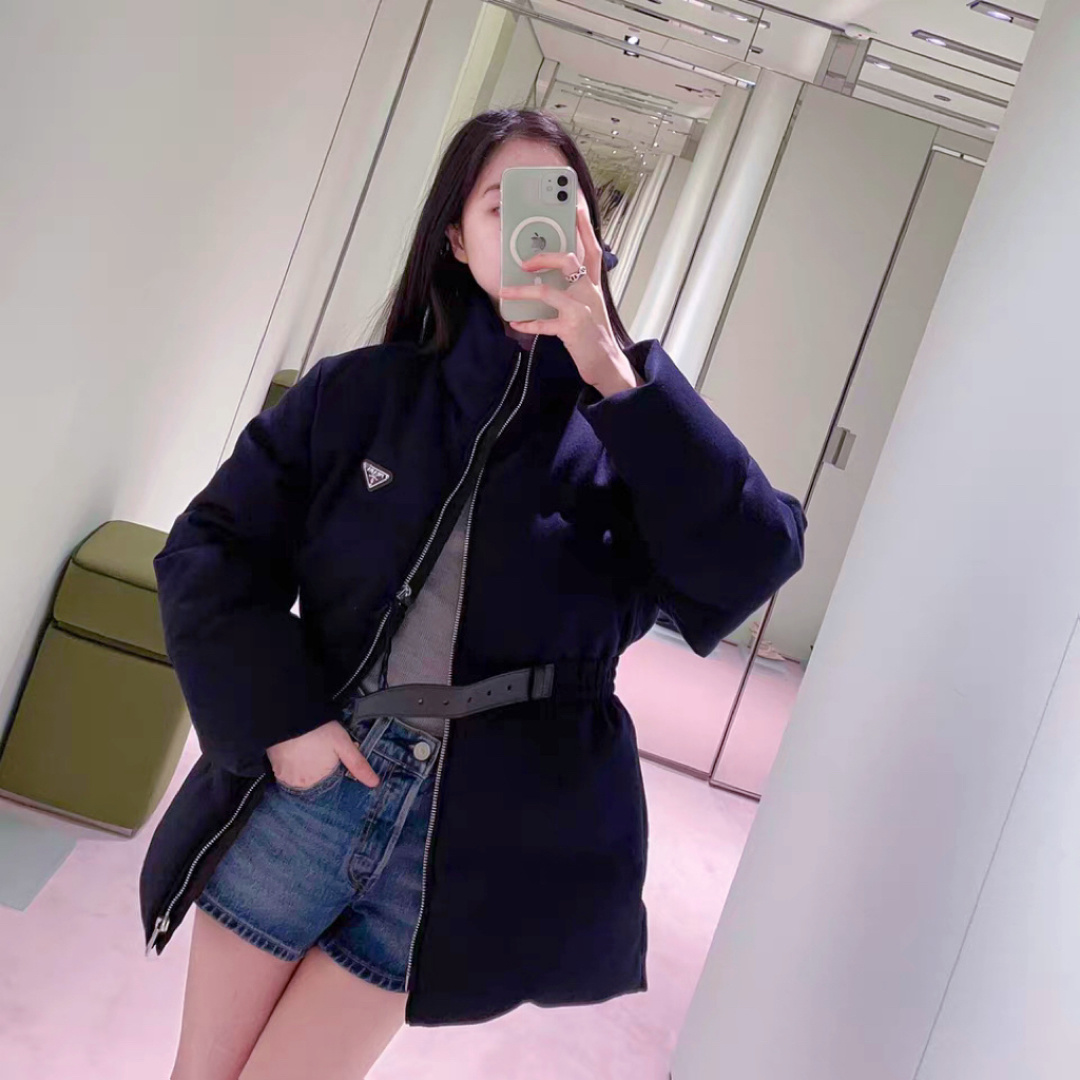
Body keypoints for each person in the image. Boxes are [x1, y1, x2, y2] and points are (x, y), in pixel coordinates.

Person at [139, 108, 807, 1080]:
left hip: (469, 837)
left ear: (596, 240)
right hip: (317, 786)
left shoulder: (630, 432)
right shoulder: (360, 393)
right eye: (504, 205)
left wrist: (611, 368)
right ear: (456, 239)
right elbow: (212, 548)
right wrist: (282, 724)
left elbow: (753, 560)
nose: (539, 230)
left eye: (564, 207)